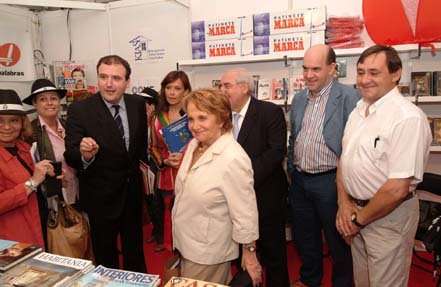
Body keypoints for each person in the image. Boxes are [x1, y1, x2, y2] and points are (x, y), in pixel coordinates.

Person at [336, 45, 432, 286]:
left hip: (388, 220)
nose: (364, 80)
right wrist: (344, 204)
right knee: (364, 282)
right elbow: (345, 161)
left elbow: (397, 188)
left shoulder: (407, 118)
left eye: (374, 72)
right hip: (357, 214)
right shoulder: (358, 111)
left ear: (396, 73)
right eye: (360, 72)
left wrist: (357, 221)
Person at [64, 55, 147, 272]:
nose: (109, 84)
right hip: (101, 199)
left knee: (135, 253)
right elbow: (71, 154)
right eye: (103, 77)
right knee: (105, 256)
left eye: (116, 78)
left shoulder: (137, 104)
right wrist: (85, 155)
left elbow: (138, 149)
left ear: (127, 81)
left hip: (132, 195)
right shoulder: (80, 110)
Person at [287, 44, 360, 287]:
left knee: (339, 239)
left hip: (331, 182)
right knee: (305, 237)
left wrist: (346, 191)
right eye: (306, 69)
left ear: (332, 68)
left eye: (315, 69)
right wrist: (291, 172)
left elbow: (354, 146)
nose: (309, 75)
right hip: (299, 181)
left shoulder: (349, 97)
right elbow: (294, 138)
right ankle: (310, 280)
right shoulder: (298, 98)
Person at [172, 88, 261, 286]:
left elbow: (245, 212)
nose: (195, 126)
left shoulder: (233, 158)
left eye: (202, 118)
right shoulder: (196, 144)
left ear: (221, 119)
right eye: (191, 118)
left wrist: (250, 253)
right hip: (187, 244)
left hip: (207, 253)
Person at [220, 68, 290, 287]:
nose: (222, 90)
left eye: (227, 86)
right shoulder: (221, 117)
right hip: (233, 202)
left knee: (274, 256)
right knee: (242, 258)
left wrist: (242, 178)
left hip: (266, 198)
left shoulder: (270, 112)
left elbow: (276, 152)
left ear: (243, 87)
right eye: (221, 86)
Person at [0, 89, 57, 247]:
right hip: (11, 239)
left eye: (13, 120)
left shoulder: (24, 147)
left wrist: (49, 175)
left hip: (38, 227)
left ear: (22, 123)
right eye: (1, 120)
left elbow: (36, 180)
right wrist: (32, 182)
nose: (7, 127)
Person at [149, 71, 191, 252]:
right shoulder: (156, 117)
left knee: (190, 218)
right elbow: (153, 147)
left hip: (191, 173)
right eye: (168, 88)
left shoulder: (193, 114)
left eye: (177, 88)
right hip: (167, 175)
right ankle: (173, 253)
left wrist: (188, 156)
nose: (172, 92)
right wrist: (165, 160)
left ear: (186, 91)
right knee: (170, 216)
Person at [23, 78, 79, 206]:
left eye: (53, 98)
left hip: (77, 193)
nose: (49, 103)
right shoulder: (29, 134)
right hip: (52, 201)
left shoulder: (70, 127)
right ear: (34, 103)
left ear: (59, 102)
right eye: (43, 99)